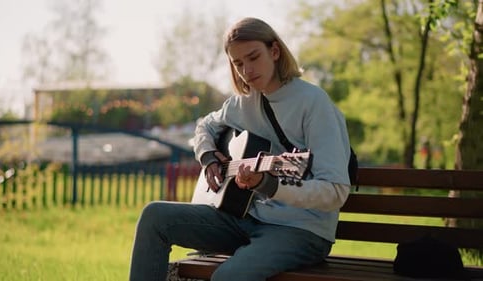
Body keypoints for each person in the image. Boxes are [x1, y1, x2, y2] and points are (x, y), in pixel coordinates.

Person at [129, 17, 351, 281]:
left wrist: (270, 186)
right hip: (244, 219)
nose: (246, 70)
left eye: (253, 57)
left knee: (228, 277)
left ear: (275, 51)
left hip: (300, 230)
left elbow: (336, 191)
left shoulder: (313, 103)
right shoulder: (243, 104)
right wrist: (209, 157)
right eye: (238, 63)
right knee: (155, 217)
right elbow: (205, 127)